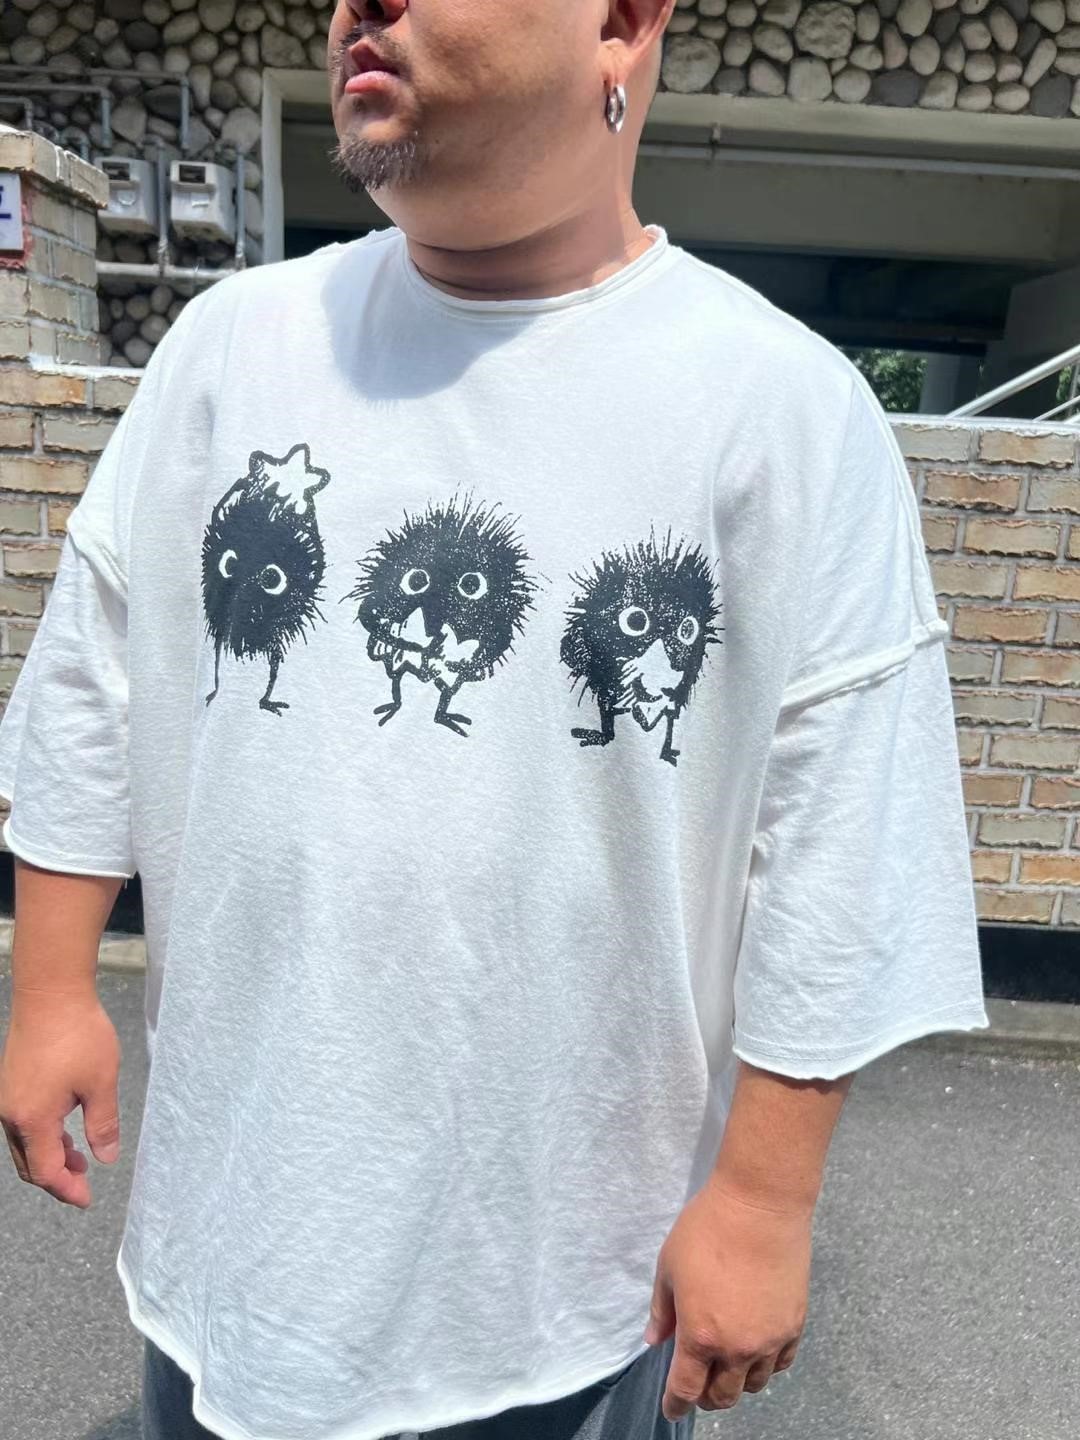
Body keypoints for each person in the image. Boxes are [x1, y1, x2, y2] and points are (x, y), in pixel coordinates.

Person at [0, 2, 990, 1438]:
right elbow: (95, 672)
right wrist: (49, 990)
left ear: (623, 23)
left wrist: (766, 1195)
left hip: (560, 1306)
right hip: (234, 1252)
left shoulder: (779, 408)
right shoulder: (232, 349)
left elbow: (846, 833)